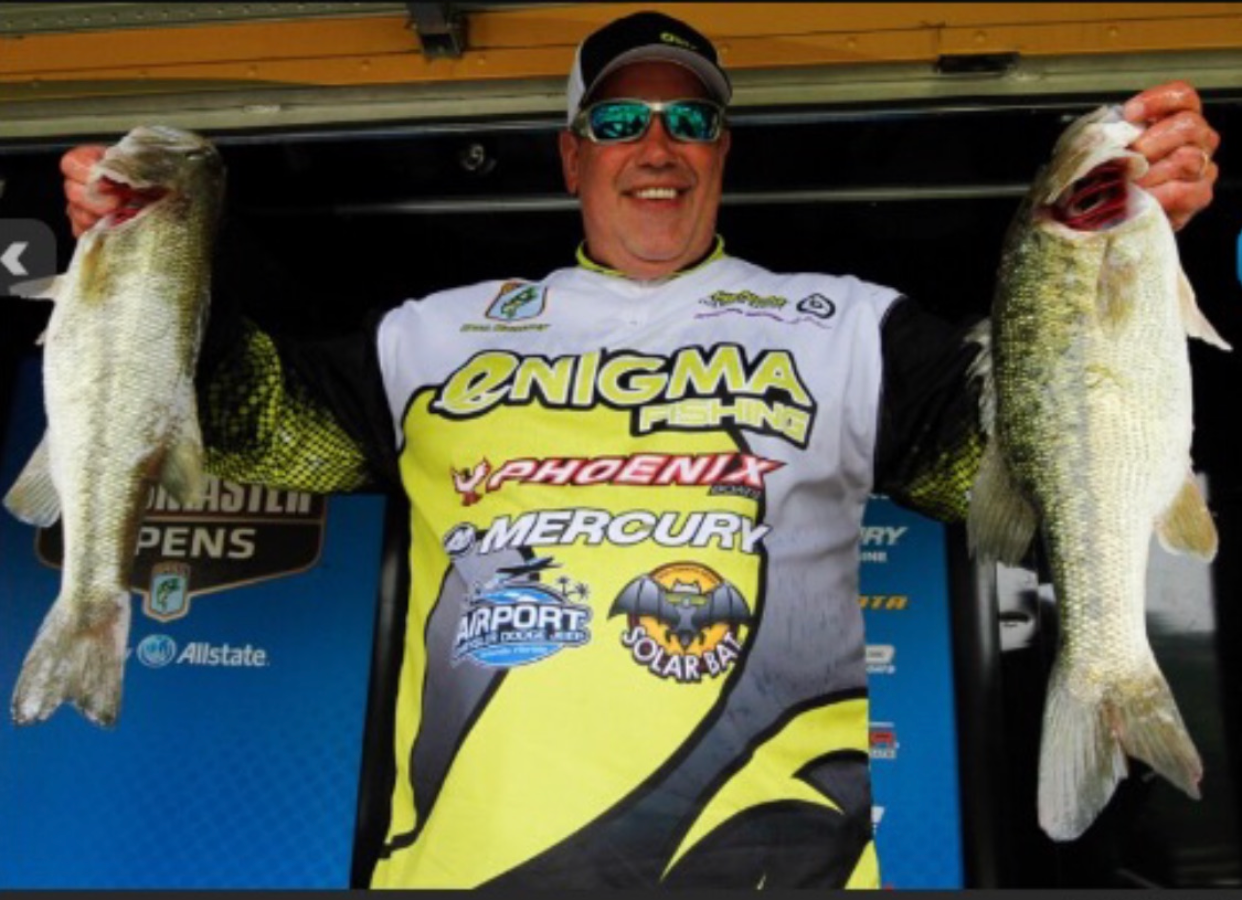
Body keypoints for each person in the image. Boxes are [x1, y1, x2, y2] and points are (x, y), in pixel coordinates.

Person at [59, 10, 1220, 890]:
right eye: (619, 122)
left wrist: (1123, 255)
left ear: (721, 151)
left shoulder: (851, 323)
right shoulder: (430, 332)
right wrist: (136, 265)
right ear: (573, 157)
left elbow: (1014, 467)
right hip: (470, 865)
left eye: (687, 120)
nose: (654, 145)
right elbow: (257, 426)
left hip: (782, 864)